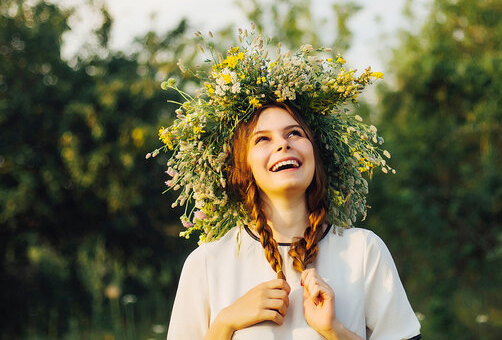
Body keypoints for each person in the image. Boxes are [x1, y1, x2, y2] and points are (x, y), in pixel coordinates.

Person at [155, 30, 422, 340]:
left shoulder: (363, 251)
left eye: (294, 133)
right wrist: (225, 324)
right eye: (263, 139)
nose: (282, 144)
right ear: (244, 166)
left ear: (315, 153)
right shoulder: (206, 264)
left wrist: (333, 331)